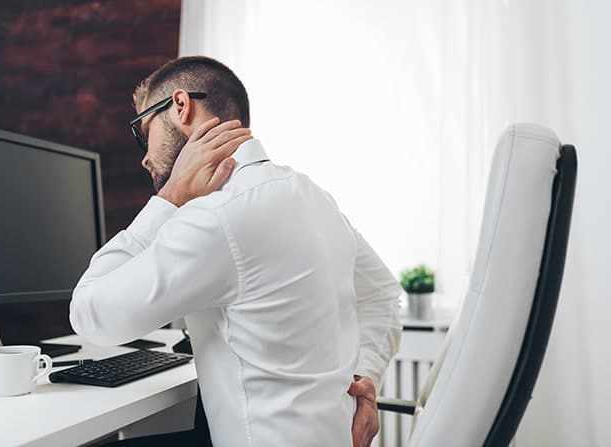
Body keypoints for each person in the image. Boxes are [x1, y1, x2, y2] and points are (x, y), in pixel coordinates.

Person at [70, 56, 401, 447]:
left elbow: (90, 314)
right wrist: (367, 378)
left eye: (145, 133)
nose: (144, 157)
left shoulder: (217, 215)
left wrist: (170, 197)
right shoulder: (312, 195)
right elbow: (382, 293)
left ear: (181, 106)